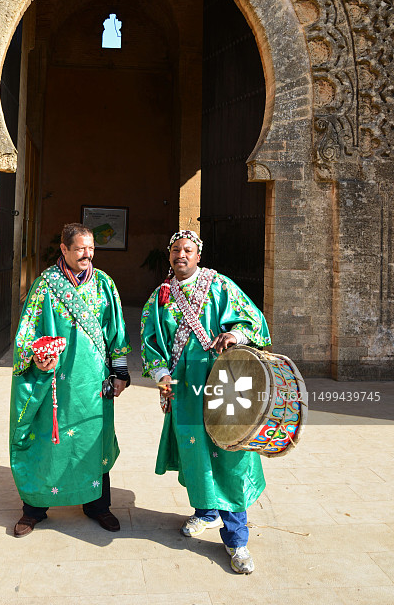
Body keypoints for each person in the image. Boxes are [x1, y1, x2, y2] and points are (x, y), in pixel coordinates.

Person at [140, 229, 271, 574]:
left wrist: (235, 334)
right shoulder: (160, 297)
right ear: (169, 256)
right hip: (184, 390)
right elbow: (151, 342)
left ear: (198, 255)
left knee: (229, 454)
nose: (180, 255)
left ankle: (237, 540)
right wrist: (160, 375)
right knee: (195, 450)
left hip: (223, 384)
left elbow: (253, 319)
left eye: (187, 250)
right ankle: (206, 512)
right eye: (175, 250)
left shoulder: (220, 286)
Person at [10, 222, 131, 537]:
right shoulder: (45, 286)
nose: (87, 255)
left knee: (93, 441)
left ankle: (98, 506)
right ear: (63, 249)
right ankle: (34, 509)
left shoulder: (104, 284)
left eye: (91, 248)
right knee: (49, 440)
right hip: (54, 384)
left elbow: (116, 332)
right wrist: (35, 357)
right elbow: (26, 333)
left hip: (92, 385)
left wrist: (119, 373)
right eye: (80, 248)